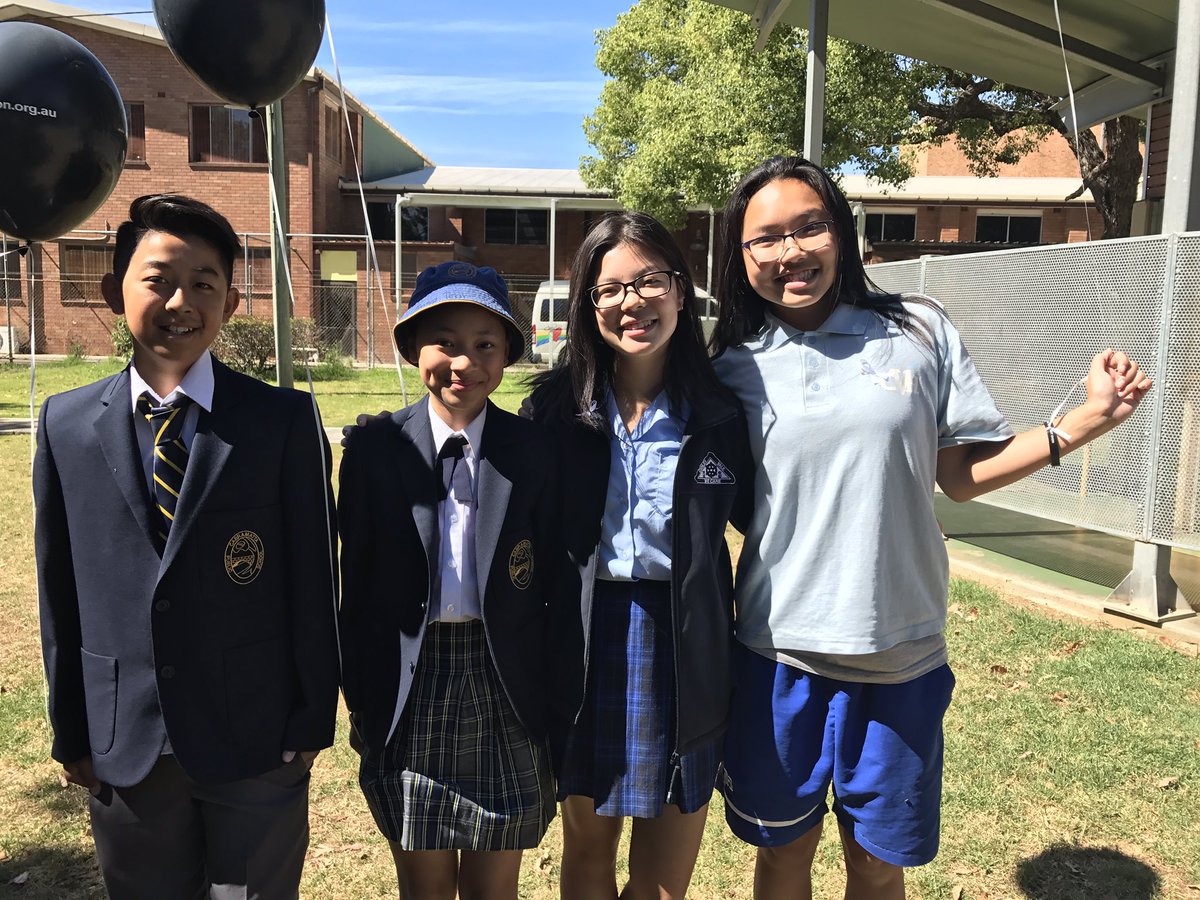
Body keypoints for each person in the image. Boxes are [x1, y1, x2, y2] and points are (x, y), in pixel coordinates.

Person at [710, 155, 1152, 900]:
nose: (790, 252)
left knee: (878, 866)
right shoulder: (729, 364)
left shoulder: (917, 325)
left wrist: (1082, 422)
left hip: (901, 655)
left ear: (841, 231)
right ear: (741, 254)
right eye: (766, 238)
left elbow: (961, 474)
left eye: (809, 226)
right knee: (783, 858)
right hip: (775, 653)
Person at [34, 194, 339, 900]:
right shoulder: (66, 426)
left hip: (256, 740)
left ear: (231, 302)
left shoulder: (281, 421)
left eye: (204, 283)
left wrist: (309, 720)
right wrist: (72, 731)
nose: (181, 300)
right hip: (125, 742)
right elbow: (59, 593)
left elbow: (314, 579)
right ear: (115, 291)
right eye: (159, 279)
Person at [524, 212, 753, 900]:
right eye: (611, 289)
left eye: (650, 281)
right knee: (588, 852)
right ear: (588, 306)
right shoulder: (555, 411)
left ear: (681, 291)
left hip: (686, 643)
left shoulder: (722, 412)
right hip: (585, 640)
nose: (632, 303)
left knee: (662, 879)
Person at [338, 262, 571, 900]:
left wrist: (554, 697)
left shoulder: (532, 452)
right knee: (426, 881)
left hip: (506, 683)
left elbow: (556, 582)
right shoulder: (374, 448)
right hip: (410, 686)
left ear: (506, 357)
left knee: (496, 883)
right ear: (415, 347)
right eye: (445, 341)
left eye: (484, 345)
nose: (462, 362)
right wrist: (362, 696)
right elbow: (352, 589)